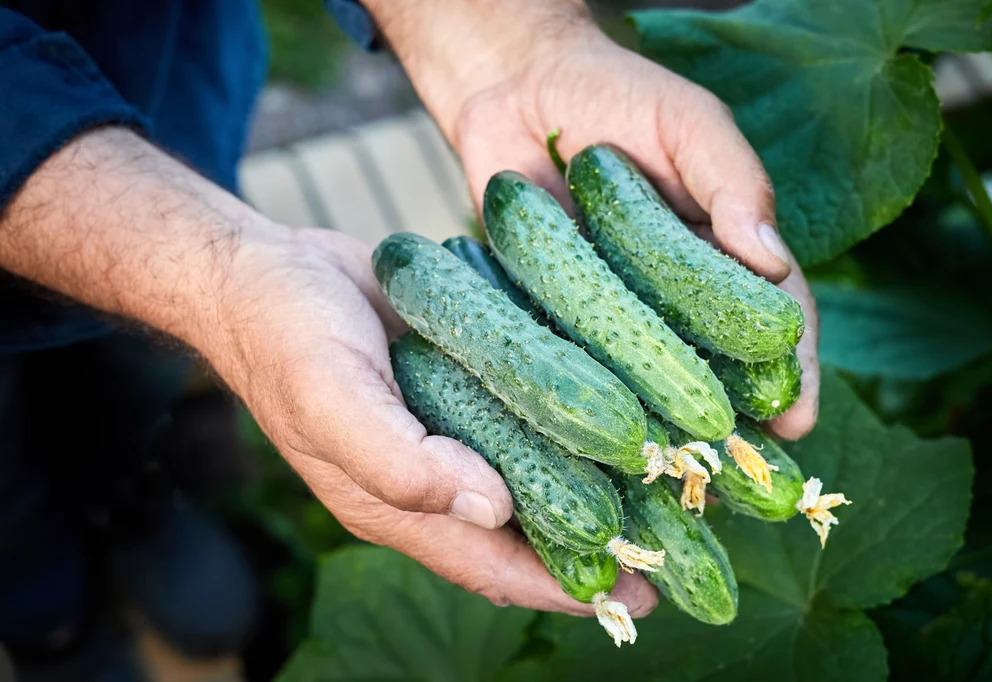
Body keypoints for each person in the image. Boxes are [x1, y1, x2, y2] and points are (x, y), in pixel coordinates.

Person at [0, 0, 819, 677]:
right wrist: (220, 284)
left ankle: (134, 499)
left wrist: (506, 38)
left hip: (157, 84)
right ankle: (50, 619)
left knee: (130, 371)